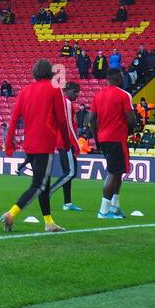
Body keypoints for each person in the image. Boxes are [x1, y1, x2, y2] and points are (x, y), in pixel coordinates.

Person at [0, 59, 73, 233]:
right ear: (50, 73)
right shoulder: (54, 90)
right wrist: (67, 141)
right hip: (44, 143)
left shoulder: (25, 91)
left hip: (30, 143)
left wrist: (9, 143)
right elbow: (62, 120)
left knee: (44, 184)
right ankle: (11, 213)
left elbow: (14, 118)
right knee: (39, 185)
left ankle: (49, 222)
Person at [88, 71, 138, 219]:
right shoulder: (124, 95)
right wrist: (130, 130)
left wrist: (96, 136)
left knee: (118, 171)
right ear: (119, 78)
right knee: (113, 172)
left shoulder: (98, 95)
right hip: (117, 138)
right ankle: (104, 211)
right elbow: (131, 119)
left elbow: (91, 119)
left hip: (103, 138)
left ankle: (115, 206)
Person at [51, 82, 84, 212]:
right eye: (75, 92)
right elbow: (69, 126)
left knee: (68, 172)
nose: (77, 95)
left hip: (61, 141)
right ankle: (48, 192)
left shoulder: (62, 102)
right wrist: (75, 144)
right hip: (66, 142)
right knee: (71, 172)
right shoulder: (67, 103)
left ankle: (68, 203)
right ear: (68, 90)